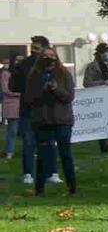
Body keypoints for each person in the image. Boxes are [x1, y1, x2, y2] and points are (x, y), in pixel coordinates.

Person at [22, 37, 76, 196]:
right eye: (46, 57)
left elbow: (69, 96)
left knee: (65, 154)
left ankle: (72, 187)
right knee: (42, 155)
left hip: (62, 120)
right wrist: (43, 90)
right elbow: (29, 98)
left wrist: (56, 89)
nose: (49, 60)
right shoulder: (34, 75)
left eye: (52, 57)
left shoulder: (64, 74)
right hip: (42, 120)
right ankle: (39, 189)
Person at [2, 52, 21, 170]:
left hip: (23, 105)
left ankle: (29, 151)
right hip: (12, 105)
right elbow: (5, 89)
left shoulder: (23, 73)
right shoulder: (6, 74)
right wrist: (19, 94)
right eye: (17, 60)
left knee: (28, 131)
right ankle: (9, 151)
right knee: (12, 130)